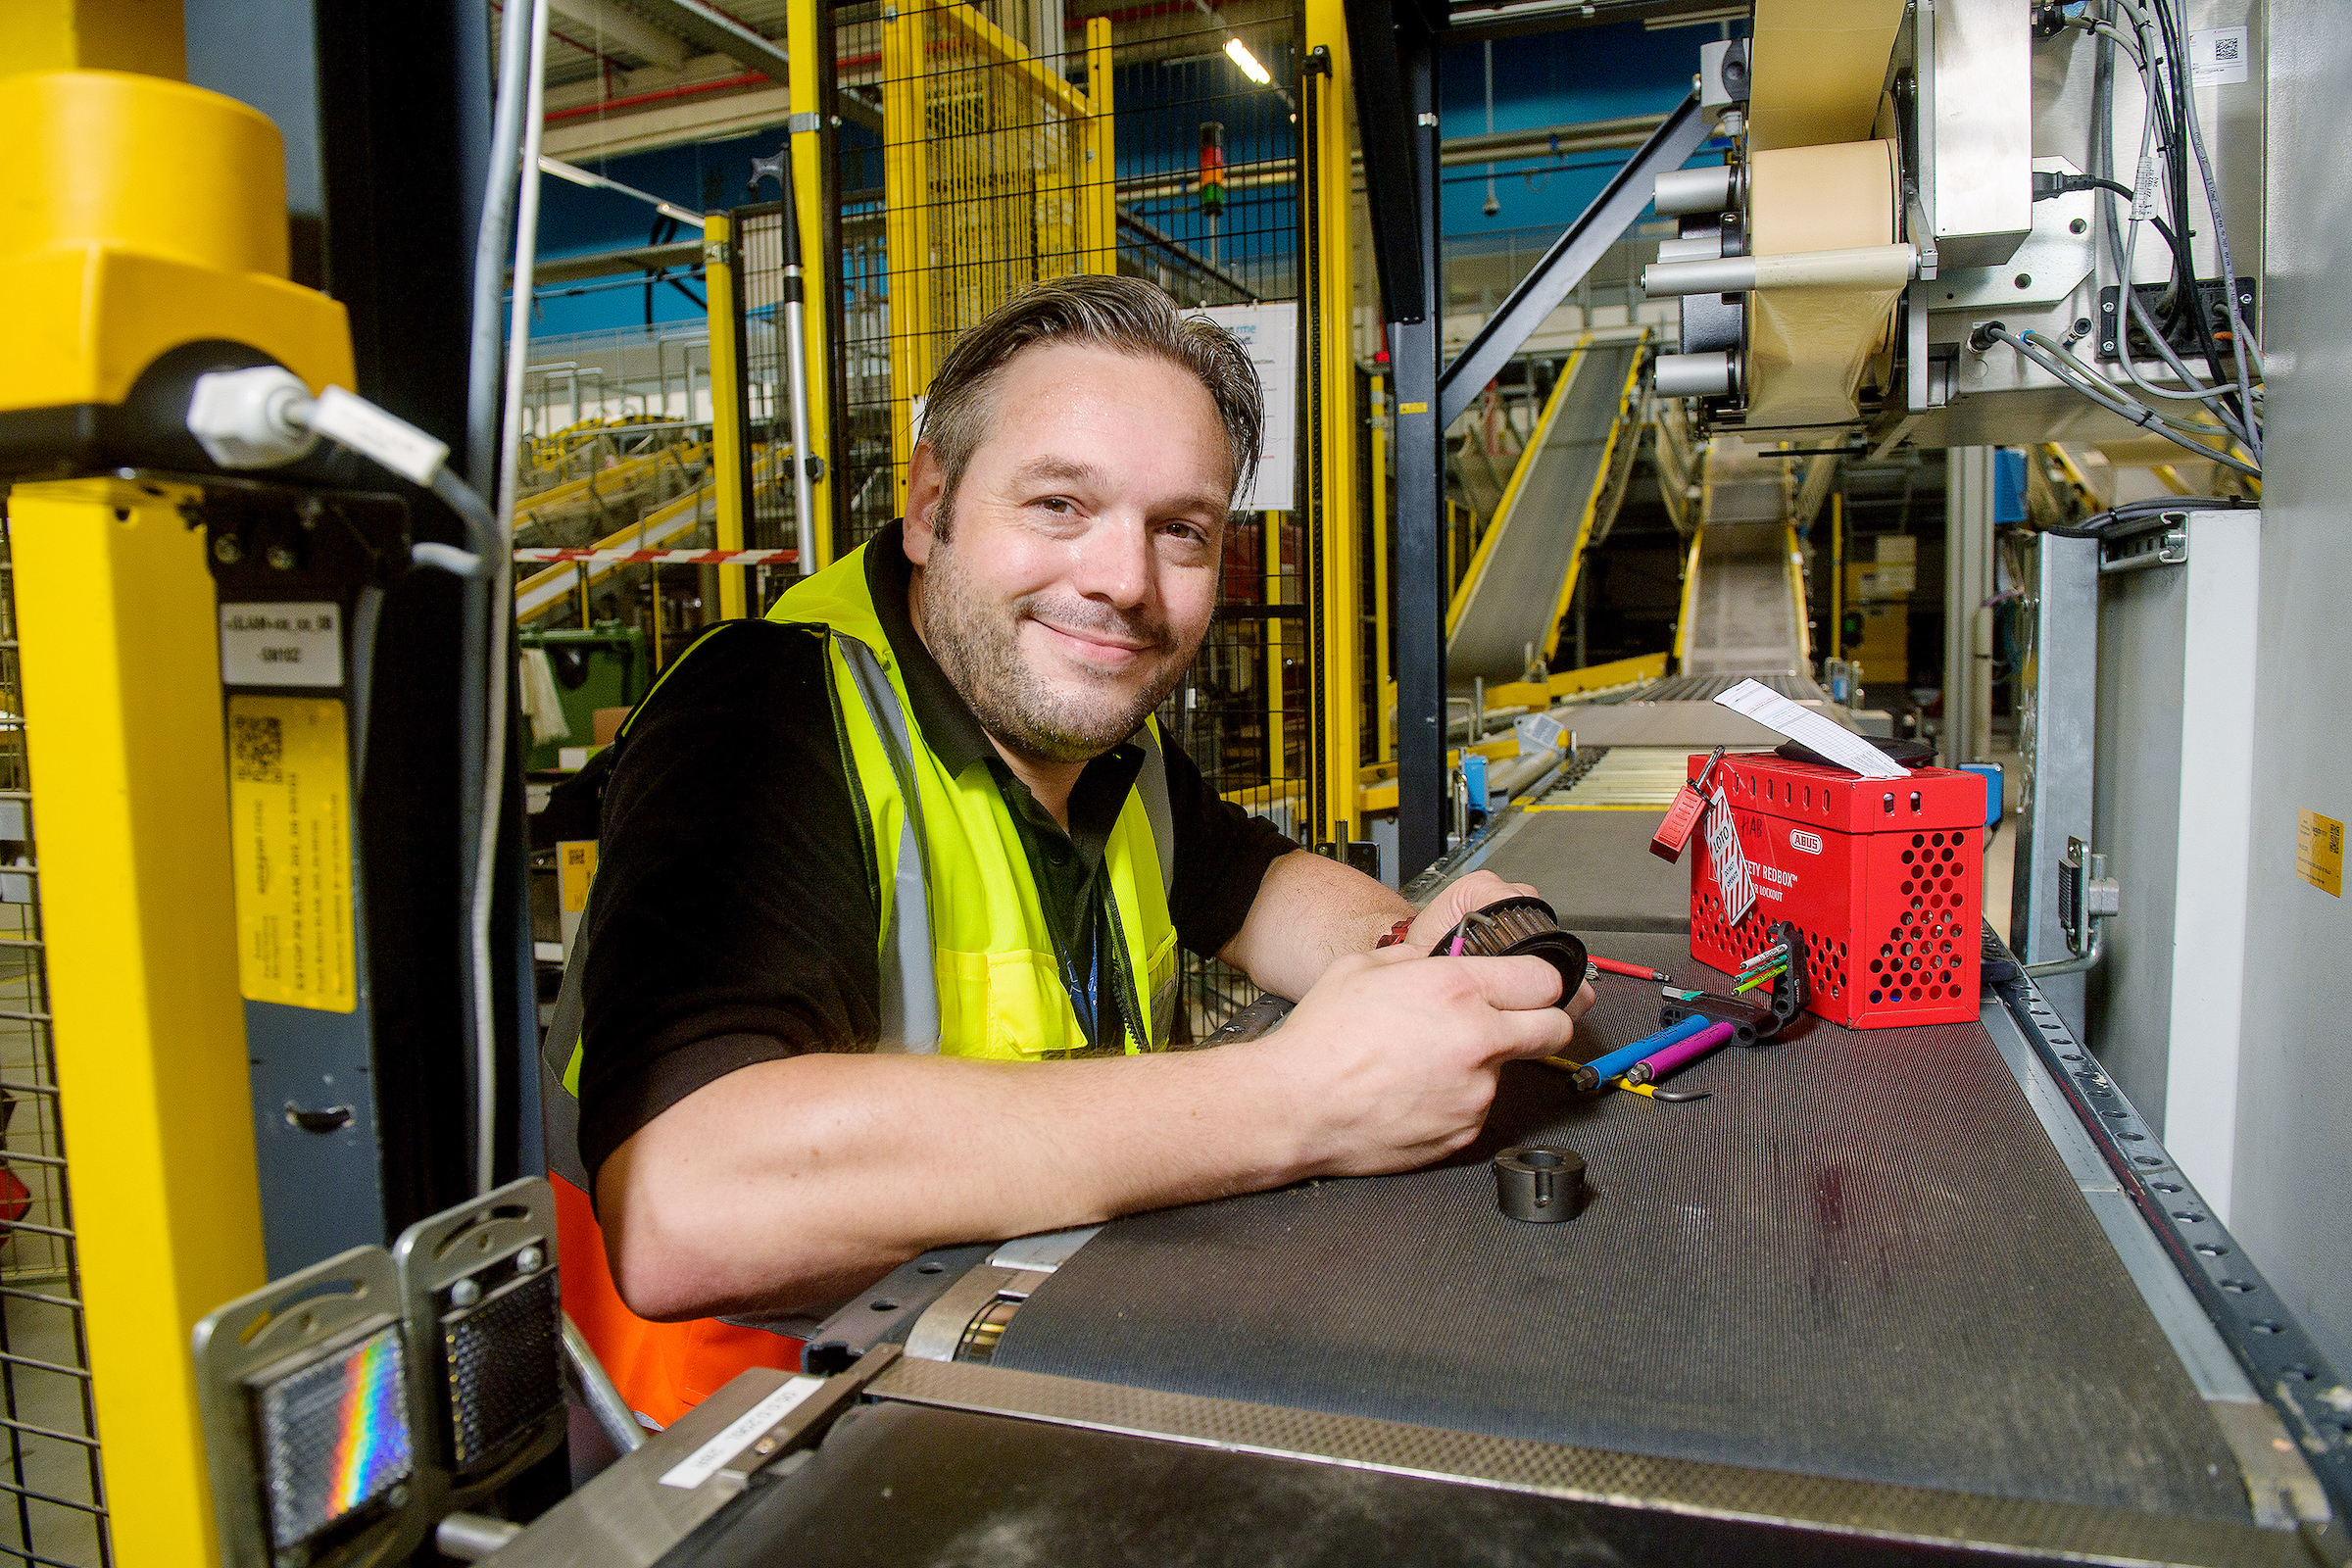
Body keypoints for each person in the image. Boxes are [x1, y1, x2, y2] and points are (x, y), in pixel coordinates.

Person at [550, 275, 1593, 1423]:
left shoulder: (1103, 746)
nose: (1122, 580)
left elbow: (1258, 885)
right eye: (1058, 503)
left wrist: (1426, 956)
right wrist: (1303, 1095)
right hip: (752, 1449)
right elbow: (679, 1204)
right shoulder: (766, 713)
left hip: (1006, 1378)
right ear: (930, 503)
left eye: (1179, 530)